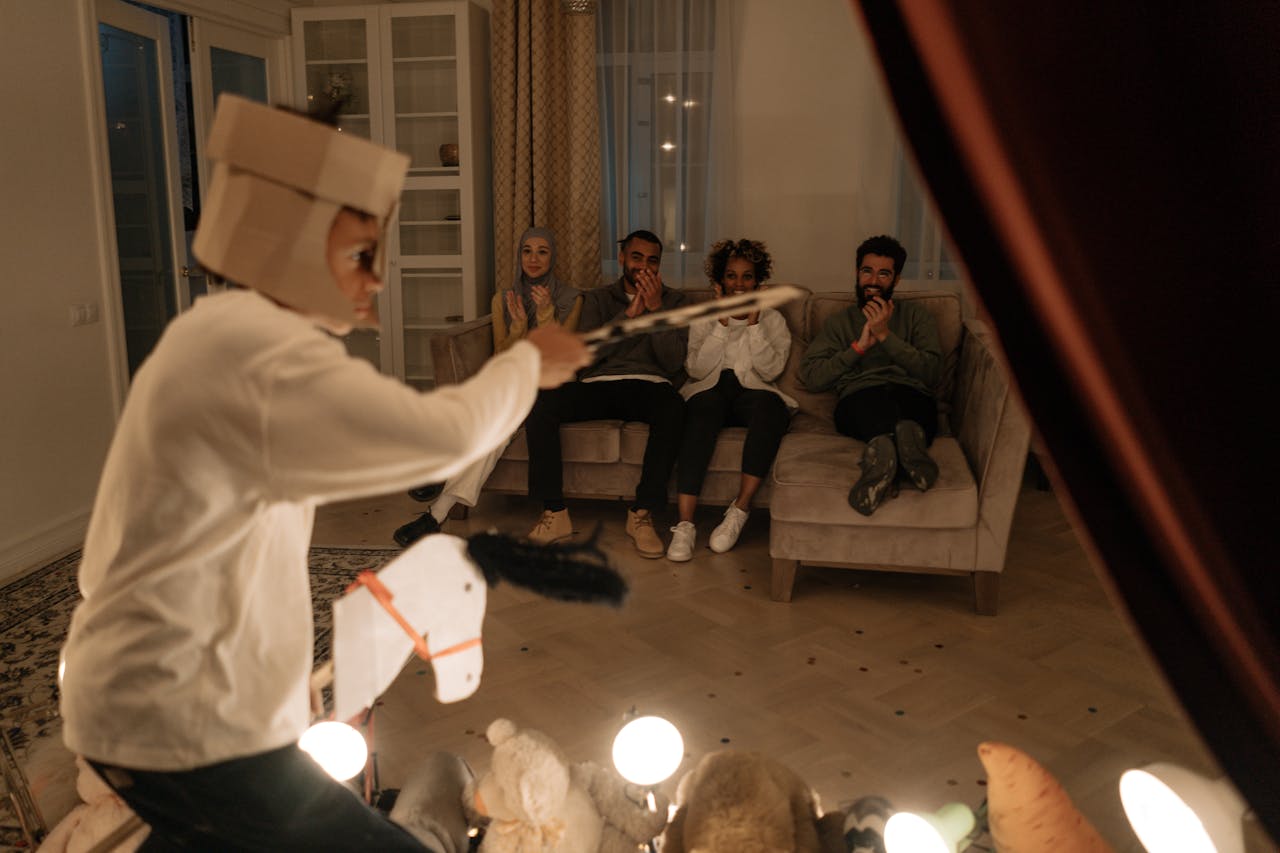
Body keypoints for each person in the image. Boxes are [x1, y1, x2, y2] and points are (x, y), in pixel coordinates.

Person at [56, 94, 590, 851]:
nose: (375, 279)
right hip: (177, 722)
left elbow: (105, 560)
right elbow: (442, 438)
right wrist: (529, 362)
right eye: (359, 255)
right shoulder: (265, 357)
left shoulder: (199, 335)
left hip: (130, 712)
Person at [393, 227, 583, 547]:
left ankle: (438, 497)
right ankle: (435, 516)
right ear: (519, 255)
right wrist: (519, 326)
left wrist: (546, 312)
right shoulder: (503, 298)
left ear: (553, 257)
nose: (533, 259)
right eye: (527, 251)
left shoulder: (571, 298)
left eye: (542, 251)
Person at [524, 229, 687, 557]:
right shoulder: (597, 299)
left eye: (652, 261)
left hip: (650, 385)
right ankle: (554, 513)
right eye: (636, 257)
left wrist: (655, 311)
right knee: (540, 403)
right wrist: (628, 316)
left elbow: (672, 362)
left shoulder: (676, 302)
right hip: (599, 384)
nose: (644, 267)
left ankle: (641, 514)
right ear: (622, 259)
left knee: (674, 408)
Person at [666, 239, 795, 562]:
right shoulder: (704, 316)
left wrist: (753, 324)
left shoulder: (774, 320)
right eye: (732, 276)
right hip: (711, 389)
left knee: (772, 409)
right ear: (720, 282)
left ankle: (739, 510)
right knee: (700, 412)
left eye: (747, 277)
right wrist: (722, 323)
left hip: (753, 391)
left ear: (758, 282)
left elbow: (770, 370)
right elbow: (696, 369)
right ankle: (685, 524)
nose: (739, 284)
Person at [798, 234, 941, 516]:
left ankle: (886, 455)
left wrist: (885, 335)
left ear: (896, 280)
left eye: (884, 273)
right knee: (878, 413)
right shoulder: (841, 321)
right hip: (860, 396)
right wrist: (858, 347)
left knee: (913, 414)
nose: (873, 281)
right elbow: (811, 376)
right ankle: (902, 455)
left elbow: (932, 372)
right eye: (867, 271)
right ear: (857, 273)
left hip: (911, 393)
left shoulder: (916, 316)